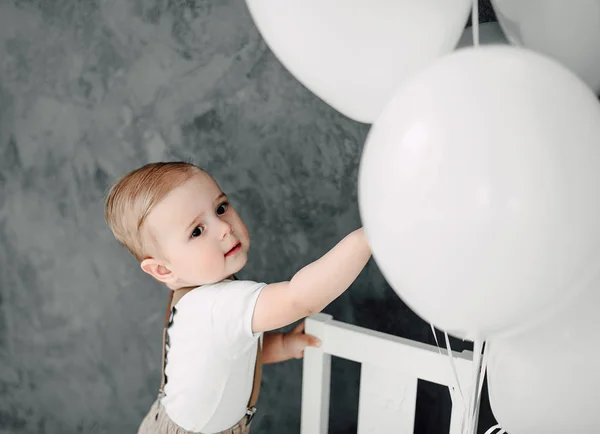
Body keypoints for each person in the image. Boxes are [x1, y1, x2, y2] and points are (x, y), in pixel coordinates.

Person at [104, 161, 372, 434]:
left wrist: (282, 344)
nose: (223, 227)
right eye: (197, 231)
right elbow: (300, 298)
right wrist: (368, 237)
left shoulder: (196, 298)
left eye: (221, 208)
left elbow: (225, 355)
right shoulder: (216, 305)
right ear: (163, 269)